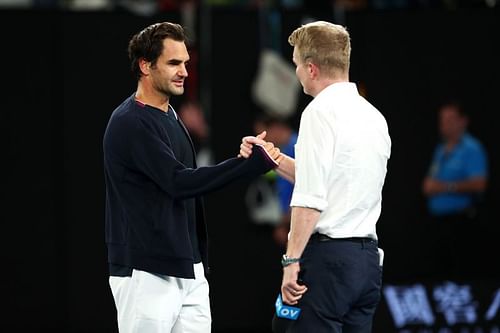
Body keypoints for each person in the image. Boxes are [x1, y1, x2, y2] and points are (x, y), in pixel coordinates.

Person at [103, 22, 282, 333]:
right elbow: (179, 182)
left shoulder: (169, 114)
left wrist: (243, 161)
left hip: (188, 268)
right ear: (146, 65)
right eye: (174, 63)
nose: (184, 71)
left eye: (186, 62)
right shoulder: (130, 122)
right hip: (146, 271)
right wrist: (247, 165)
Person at [240, 21, 391, 332]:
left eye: (296, 65)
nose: (295, 74)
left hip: (328, 262)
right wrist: (275, 158)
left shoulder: (318, 112)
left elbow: (311, 196)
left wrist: (290, 261)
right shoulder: (374, 117)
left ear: (311, 69)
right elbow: (331, 180)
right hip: (365, 266)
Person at [421, 100, 488, 279]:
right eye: (442, 120)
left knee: (462, 273)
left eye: (450, 119)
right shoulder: (441, 149)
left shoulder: (472, 148)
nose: (444, 124)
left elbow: (479, 184)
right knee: (438, 274)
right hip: (438, 222)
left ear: (463, 121)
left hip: (461, 222)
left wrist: (445, 187)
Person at [253, 114, 298, 247]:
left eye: (264, 135)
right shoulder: (280, 152)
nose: (265, 141)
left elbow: (304, 187)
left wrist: (285, 223)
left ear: (276, 128)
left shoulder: (299, 146)